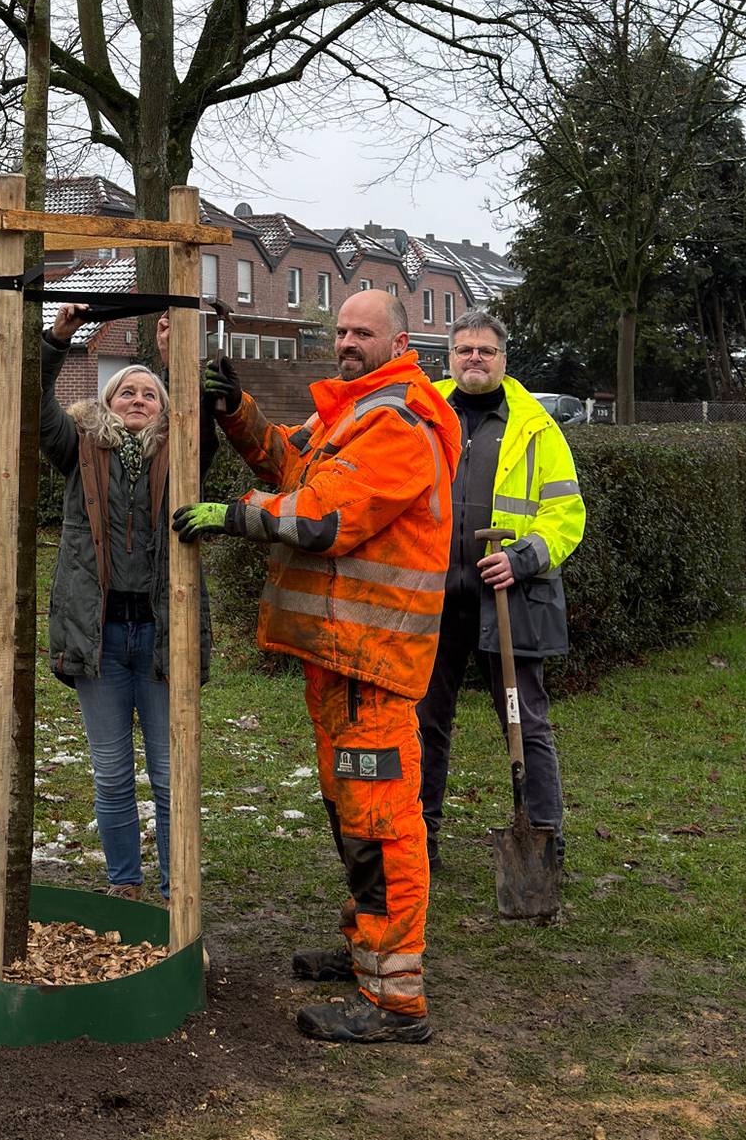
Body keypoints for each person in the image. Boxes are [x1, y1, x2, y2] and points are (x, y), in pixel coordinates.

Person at [176, 289, 458, 1045]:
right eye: (341, 331)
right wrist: (236, 413)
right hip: (340, 660)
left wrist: (234, 514)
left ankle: (395, 1001)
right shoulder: (350, 413)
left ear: (400, 344)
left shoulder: (399, 422)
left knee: (382, 825)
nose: (347, 342)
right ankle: (368, 947)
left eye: (363, 332)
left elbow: (323, 514)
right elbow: (294, 464)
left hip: (373, 662)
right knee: (350, 813)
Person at [39, 304, 212, 901]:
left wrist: (173, 358)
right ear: (107, 404)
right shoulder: (80, 449)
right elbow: (36, 408)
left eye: (150, 394)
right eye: (127, 392)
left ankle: (173, 891)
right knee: (112, 774)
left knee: (169, 775)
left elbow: (202, 421)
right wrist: (58, 339)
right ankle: (125, 887)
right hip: (101, 637)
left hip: (164, 637)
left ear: (164, 408)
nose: (139, 400)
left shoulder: (181, 452)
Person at [418, 310, 584, 869]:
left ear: (503, 359)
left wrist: (521, 559)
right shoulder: (422, 413)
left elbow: (566, 514)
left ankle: (543, 840)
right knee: (424, 722)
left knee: (524, 721)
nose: (474, 358)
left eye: (485, 350)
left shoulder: (536, 426)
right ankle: (419, 839)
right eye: (464, 349)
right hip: (435, 597)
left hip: (509, 600)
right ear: (449, 358)